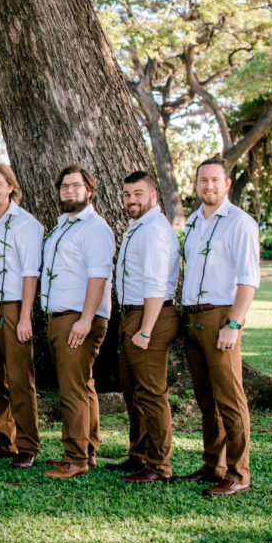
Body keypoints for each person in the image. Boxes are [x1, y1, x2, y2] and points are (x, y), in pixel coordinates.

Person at [177, 157, 259, 497]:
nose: (208, 186)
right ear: (196, 185)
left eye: (215, 180)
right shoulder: (194, 221)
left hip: (220, 316)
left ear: (227, 184)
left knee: (229, 398)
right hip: (191, 317)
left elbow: (249, 280)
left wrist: (233, 324)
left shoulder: (240, 223)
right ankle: (214, 464)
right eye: (202, 181)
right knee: (206, 398)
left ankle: (238, 473)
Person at [40, 165, 115, 479]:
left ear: (90, 190)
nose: (69, 191)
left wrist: (85, 320)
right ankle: (88, 451)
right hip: (62, 316)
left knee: (71, 391)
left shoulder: (94, 228)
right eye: (64, 186)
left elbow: (98, 276)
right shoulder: (62, 226)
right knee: (84, 386)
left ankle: (75, 459)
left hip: (78, 318)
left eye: (76, 186)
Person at [108, 171, 180, 483]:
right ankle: (138, 455)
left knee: (151, 393)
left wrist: (146, 330)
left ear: (153, 195)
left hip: (151, 316)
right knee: (132, 390)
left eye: (138, 193)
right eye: (126, 194)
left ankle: (159, 465)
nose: (131, 200)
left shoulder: (154, 231)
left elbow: (155, 285)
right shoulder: (137, 226)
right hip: (134, 315)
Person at [0, 164, 43, 469]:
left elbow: (30, 274)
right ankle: (5, 441)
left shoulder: (26, 224)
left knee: (19, 380)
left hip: (13, 309)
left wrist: (25, 317)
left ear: (11, 186)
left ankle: (28, 445)